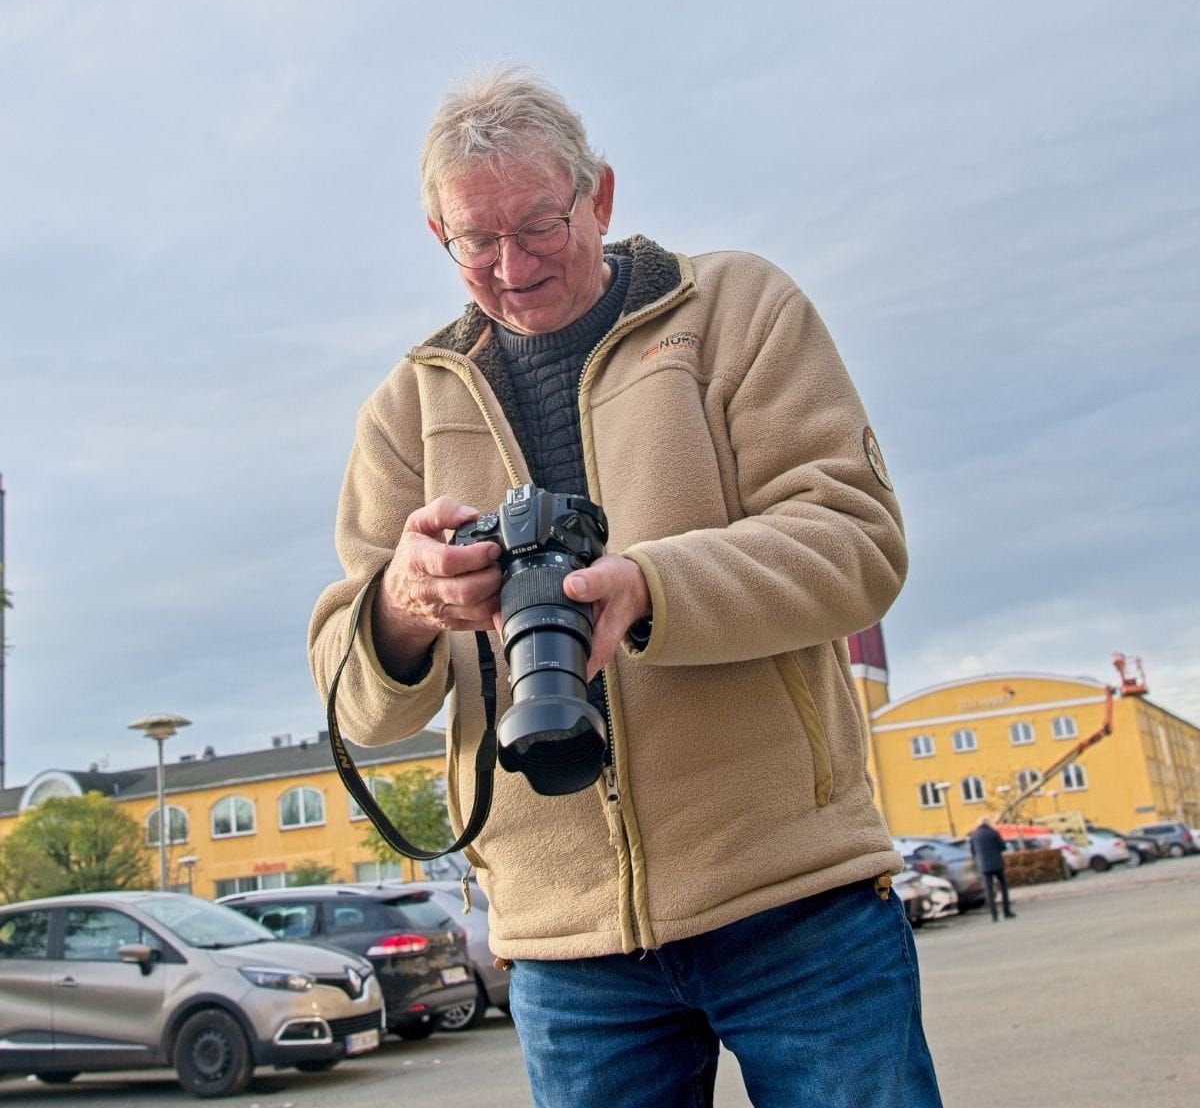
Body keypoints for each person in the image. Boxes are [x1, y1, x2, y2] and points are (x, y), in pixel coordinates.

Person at [309, 67, 942, 1107]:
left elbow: (857, 540)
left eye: (539, 224)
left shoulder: (735, 308)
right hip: (569, 948)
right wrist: (403, 605)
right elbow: (360, 704)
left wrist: (650, 588)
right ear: (437, 236)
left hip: (795, 900)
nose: (512, 266)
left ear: (599, 195)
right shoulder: (401, 413)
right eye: (477, 240)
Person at [970, 815, 1016, 921]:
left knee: (989, 890)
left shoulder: (974, 836)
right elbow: (1003, 847)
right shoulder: (993, 833)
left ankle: (994, 915)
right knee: (1003, 888)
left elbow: (973, 852)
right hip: (997, 864)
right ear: (988, 823)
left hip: (984, 866)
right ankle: (1006, 911)